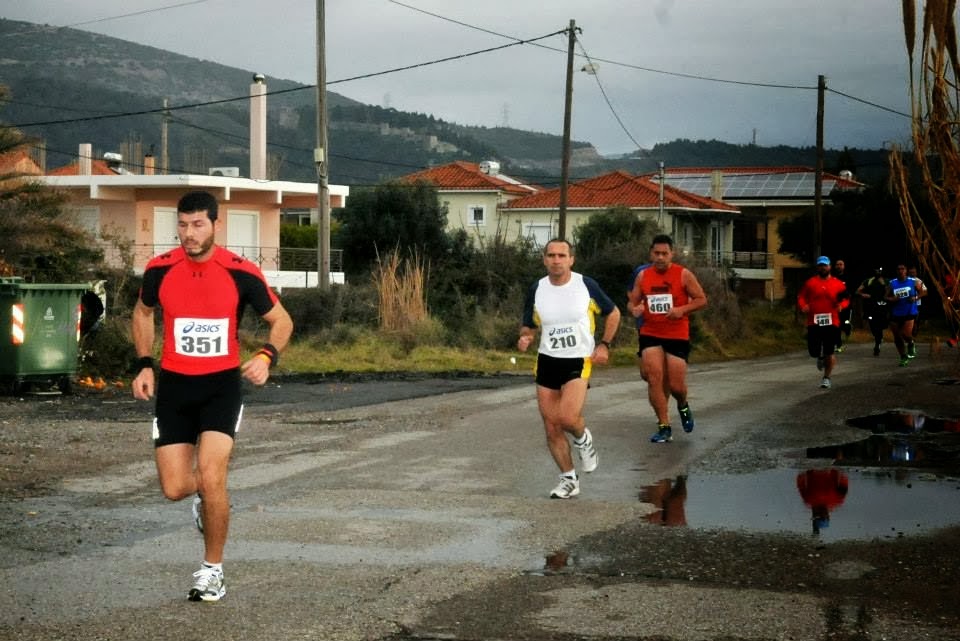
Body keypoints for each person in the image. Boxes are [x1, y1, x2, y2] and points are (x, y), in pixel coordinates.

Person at [131, 190, 294, 601]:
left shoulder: (241, 272)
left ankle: (212, 571)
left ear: (216, 225)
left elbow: (282, 321)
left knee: (214, 476)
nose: (189, 234)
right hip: (175, 387)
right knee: (175, 487)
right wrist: (143, 363)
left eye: (198, 225)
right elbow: (142, 312)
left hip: (221, 386)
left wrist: (266, 355)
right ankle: (206, 503)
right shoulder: (159, 269)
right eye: (182, 225)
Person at [518, 238, 621, 499]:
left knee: (567, 418)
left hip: (578, 359)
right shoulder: (537, 289)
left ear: (571, 260)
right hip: (547, 360)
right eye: (551, 255)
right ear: (544, 259)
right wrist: (526, 337)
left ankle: (582, 438)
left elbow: (614, 313)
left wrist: (605, 345)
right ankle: (568, 479)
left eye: (562, 255)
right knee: (551, 426)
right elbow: (529, 324)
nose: (556, 260)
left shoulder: (585, 285)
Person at [627, 234, 708, 444]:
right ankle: (664, 426)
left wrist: (682, 310)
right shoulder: (643, 276)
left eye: (664, 253)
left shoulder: (683, 275)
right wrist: (635, 309)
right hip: (650, 332)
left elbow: (701, 300)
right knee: (654, 377)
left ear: (672, 254)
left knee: (676, 386)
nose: (660, 257)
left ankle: (683, 404)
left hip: (676, 333)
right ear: (651, 254)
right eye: (657, 253)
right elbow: (633, 301)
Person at [797, 256, 849, 389]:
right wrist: (803, 305)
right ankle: (819, 357)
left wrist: (841, 306)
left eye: (825, 265)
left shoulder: (837, 283)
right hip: (814, 322)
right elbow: (801, 296)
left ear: (829, 267)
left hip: (832, 322)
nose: (823, 267)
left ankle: (826, 378)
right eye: (820, 265)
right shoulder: (810, 283)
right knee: (813, 351)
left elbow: (846, 299)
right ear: (817, 267)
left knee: (829, 350)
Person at [886, 263, 921, 366]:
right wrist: (891, 299)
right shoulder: (892, 283)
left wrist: (915, 298)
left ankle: (911, 343)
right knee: (897, 337)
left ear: (906, 271)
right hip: (896, 312)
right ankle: (903, 357)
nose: (901, 270)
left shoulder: (913, 281)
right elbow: (885, 296)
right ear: (896, 271)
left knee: (905, 334)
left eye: (903, 269)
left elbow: (923, 292)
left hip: (909, 311)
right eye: (898, 269)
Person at [796, 468, 849, 536]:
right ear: (828, 517)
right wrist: (839, 470)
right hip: (830, 467)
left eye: (819, 516)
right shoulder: (837, 501)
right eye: (824, 517)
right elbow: (844, 483)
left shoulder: (809, 500)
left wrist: (804, 470)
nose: (822, 514)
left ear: (816, 515)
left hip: (813, 467)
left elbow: (801, 484)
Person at [855, 267, 888, 356]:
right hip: (870, 308)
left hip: (882, 307)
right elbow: (857, 291)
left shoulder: (887, 281)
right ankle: (878, 339)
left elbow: (890, 291)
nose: (878, 271)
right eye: (876, 270)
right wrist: (863, 294)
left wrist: (884, 284)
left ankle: (878, 343)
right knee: (872, 325)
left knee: (879, 326)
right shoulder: (868, 281)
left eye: (879, 270)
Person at [832, 259, 853, 351]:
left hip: (846, 305)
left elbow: (851, 292)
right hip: (835, 305)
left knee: (845, 322)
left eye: (841, 264)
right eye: (837, 264)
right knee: (836, 325)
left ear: (844, 266)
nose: (839, 266)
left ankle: (848, 328)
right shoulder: (832, 277)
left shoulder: (848, 277)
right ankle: (838, 344)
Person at [907, 265, 928, 339]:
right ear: (908, 272)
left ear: (916, 273)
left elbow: (925, 292)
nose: (912, 274)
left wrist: (916, 297)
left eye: (914, 272)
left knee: (915, 321)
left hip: (916, 304)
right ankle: (907, 335)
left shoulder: (918, 281)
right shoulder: (904, 280)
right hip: (905, 304)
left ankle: (913, 336)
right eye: (911, 272)